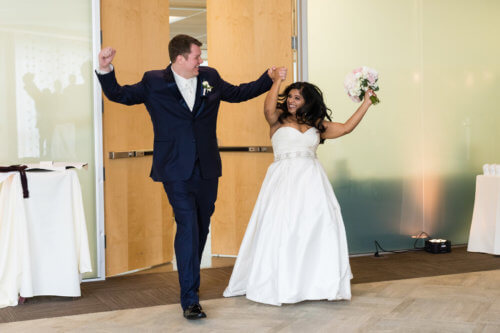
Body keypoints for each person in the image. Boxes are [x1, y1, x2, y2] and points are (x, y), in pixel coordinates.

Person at [96, 34, 284, 319]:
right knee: (187, 225)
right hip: (174, 168)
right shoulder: (154, 81)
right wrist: (105, 69)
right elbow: (119, 95)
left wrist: (267, 78)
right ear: (179, 58)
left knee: (201, 225)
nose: (201, 61)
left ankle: (188, 275)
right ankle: (190, 299)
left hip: (207, 166)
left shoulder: (209, 76)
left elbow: (237, 93)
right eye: (197, 56)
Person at [223, 69, 377, 305]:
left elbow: (346, 127)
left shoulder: (316, 123)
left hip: (312, 180)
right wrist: (277, 81)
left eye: (298, 98)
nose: (292, 101)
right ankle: (283, 282)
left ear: (307, 102)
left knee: (316, 226)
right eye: (290, 96)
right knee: (284, 228)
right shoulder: (277, 119)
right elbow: (267, 108)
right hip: (284, 180)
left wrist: (366, 103)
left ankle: (315, 282)